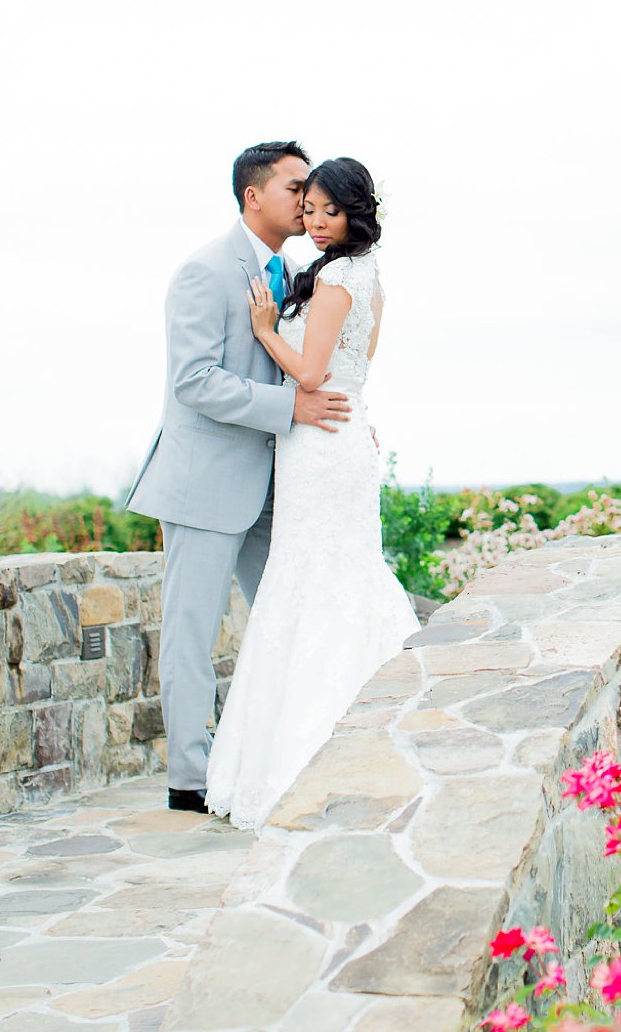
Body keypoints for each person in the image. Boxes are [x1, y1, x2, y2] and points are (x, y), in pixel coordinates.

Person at [125, 141, 353, 814]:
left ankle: (270, 753)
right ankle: (189, 779)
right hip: (205, 486)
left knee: (291, 614)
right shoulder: (203, 271)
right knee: (192, 633)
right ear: (253, 196)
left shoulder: (291, 271)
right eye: (294, 186)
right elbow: (194, 382)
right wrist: (293, 407)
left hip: (275, 482)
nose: (306, 199)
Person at [203, 155, 420, 829]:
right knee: (334, 576)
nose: (318, 221)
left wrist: (267, 330)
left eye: (331, 210)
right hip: (338, 437)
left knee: (316, 578)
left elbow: (313, 371)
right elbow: (358, 369)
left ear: (358, 211)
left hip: (320, 445)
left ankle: (309, 754)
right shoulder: (364, 275)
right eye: (312, 209)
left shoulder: (338, 280)